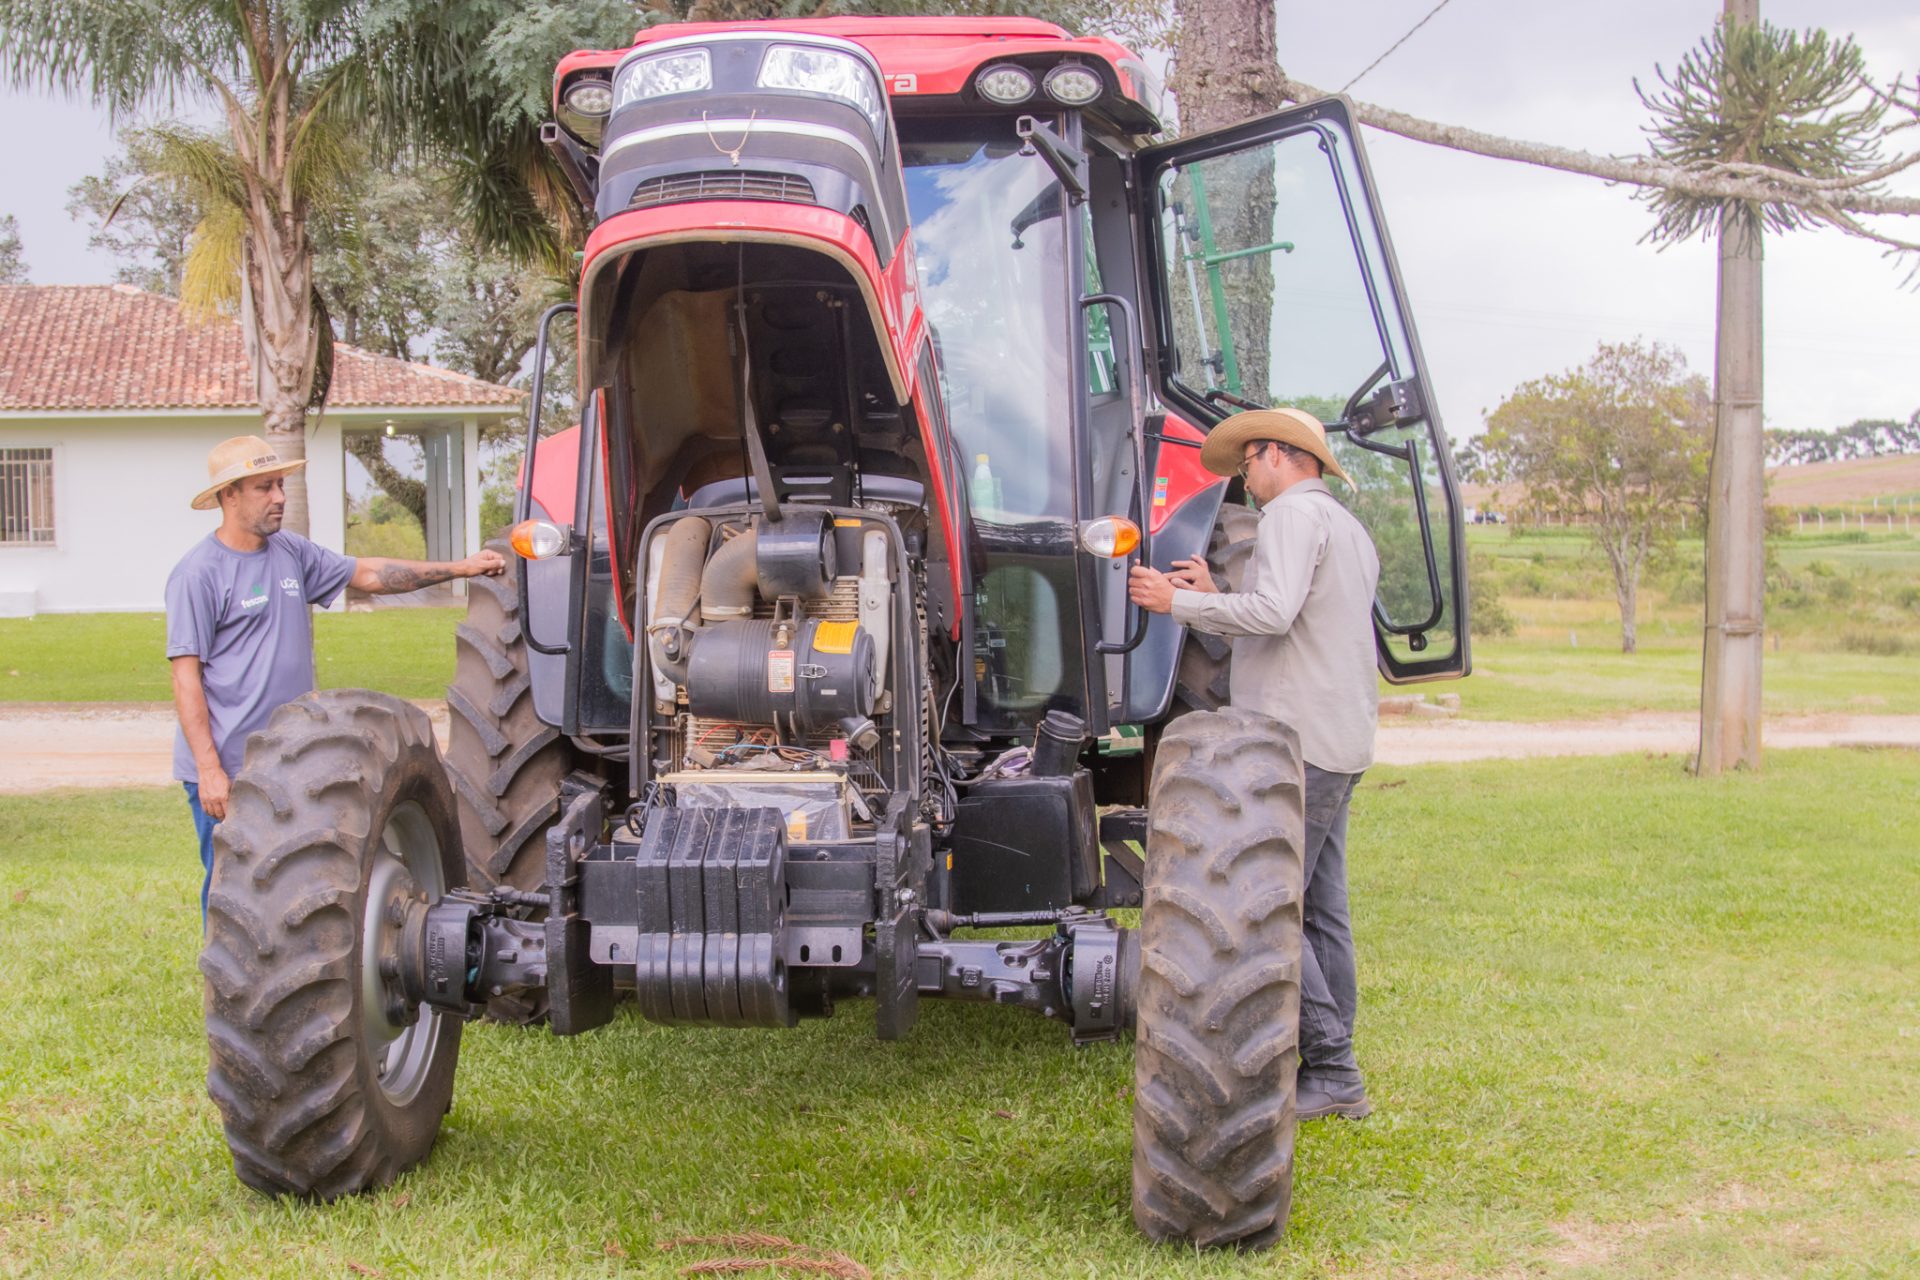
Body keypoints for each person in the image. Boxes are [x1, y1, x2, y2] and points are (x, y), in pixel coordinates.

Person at [1128, 407, 1381, 1122]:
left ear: (1279, 454)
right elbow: (1294, 625)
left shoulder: (1292, 520)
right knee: (1322, 912)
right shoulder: (1345, 528)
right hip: (1341, 737)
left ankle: (1333, 1070)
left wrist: (1175, 602)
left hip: (1298, 744)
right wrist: (1215, 598)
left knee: (1270, 915)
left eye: (1249, 460)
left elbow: (1271, 615)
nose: (1244, 474)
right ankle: (1328, 1063)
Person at [167, 435, 506, 920]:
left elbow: (368, 574)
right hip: (230, 767)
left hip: (289, 761)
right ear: (229, 495)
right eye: (265, 487)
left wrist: (460, 568)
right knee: (230, 888)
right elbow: (186, 680)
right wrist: (208, 771)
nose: (279, 497)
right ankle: (224, 994)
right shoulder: (198, 574)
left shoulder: (291, 554)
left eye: (281, 484)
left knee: (291, 883)